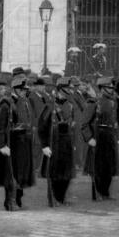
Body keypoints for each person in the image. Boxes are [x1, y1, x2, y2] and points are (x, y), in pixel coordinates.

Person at [0, 72, 35, 211]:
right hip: (12, 142)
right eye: (22, 89)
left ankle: (18, 200)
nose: (24, 92)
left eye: (25, 90)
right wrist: (2, 145)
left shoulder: (25, 102)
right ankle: (10, 202)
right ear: (15, 89)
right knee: (11, 173)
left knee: (22, 172)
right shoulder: (7, 104)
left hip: (23, 142)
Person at [81, 75, 119, 200]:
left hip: (109, 136)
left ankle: (105, 192)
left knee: (109, 166)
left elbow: (114, 121)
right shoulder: (94, 102)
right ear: (102, 88)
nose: (112, 90)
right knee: (97, 167)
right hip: (98, 135)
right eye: (109, 88)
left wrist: (116, 136)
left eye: (112, 88)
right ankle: (97, 193)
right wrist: (89, 138)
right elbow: (84, 123)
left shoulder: (113, 102)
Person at [38, 77, 75, 205]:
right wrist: (44, 145)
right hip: (54, 142)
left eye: (70, 88)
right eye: (67, 88)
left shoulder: (70, 105)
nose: (69, 90)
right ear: (60, 89)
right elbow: (42, 127)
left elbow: (72, 125)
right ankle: (55, 197)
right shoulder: (50, 106)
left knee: (67, 173)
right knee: (55, 173)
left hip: (67, 142)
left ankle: (61, 197)